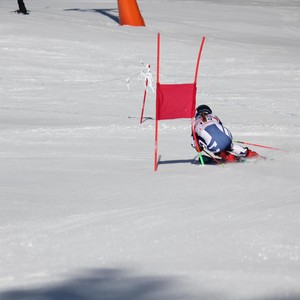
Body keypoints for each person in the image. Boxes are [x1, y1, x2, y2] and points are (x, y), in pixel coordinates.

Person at [191, 104, 259, 163]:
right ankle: (250, 154)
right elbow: (220, 129)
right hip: (227, 138)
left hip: (214, 146)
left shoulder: (194, 124)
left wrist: (199, 148)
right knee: (230, 146)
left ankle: (229, 158)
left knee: (216, 147)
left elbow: (196, 145)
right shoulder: (214, 117)